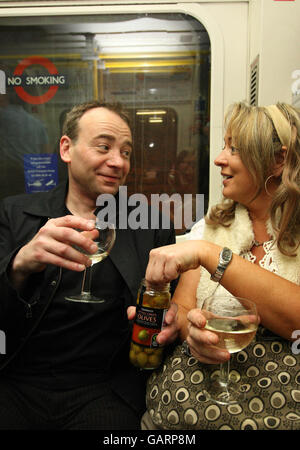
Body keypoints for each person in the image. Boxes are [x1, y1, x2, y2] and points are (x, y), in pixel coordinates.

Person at [0, 100, 177, 430]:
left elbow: (171, 310)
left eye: (126, 152)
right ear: (67, 149)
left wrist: (172, 320)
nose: (117, 162)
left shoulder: (150, 226)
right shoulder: (14, 214)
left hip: (104, 389)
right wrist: (20, 264)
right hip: (17, 380)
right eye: (104, 147)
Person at [142, 102, 300, 430]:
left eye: (235, 149)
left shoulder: (207, 246)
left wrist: (211, 255)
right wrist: (193, 331)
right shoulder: (212, 226)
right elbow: (184, 306)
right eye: (224, 146)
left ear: (278, 160)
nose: (219, 159)